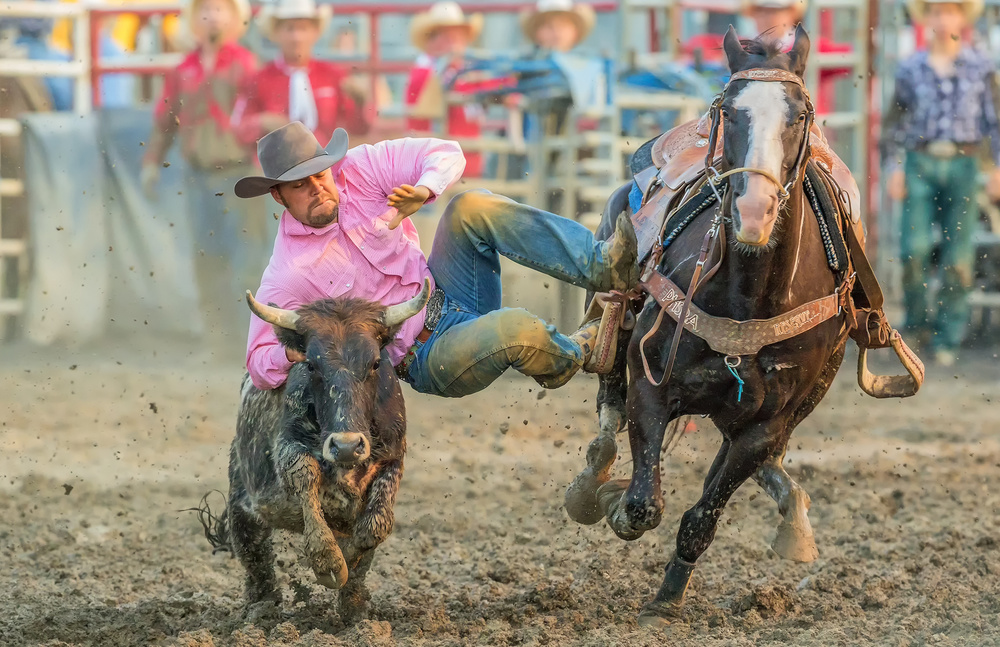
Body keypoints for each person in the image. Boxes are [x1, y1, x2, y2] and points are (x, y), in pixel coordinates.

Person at [237, 122, 639, 396]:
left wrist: (425, 189)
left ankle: (602, 266)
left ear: (330, 167)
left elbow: (446, 153)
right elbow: (257, 362)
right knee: (514, 327)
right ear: (279, 195)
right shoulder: (288, 274)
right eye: (299, 185)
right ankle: (580, 354)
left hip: (447, 286)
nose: (317, 188)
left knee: (470, 206)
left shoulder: (359, 169)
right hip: (425, 355)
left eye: (320, 175)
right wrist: (301, 351)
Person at [883, 0, 999, 366]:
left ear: (963, 18)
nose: (945, 17)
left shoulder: (982, 67)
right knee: (913, 250)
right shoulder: (910, 67)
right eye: (937, 11)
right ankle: (918, 325)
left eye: (952, 10)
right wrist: (895, 166)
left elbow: (994, 122)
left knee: (958, 256)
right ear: (928, 19)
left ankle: (948, 335)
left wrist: (997, 167)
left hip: (964, 163)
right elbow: (895, 124)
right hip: (920, 159)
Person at [140, 0, 260, 338]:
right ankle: (216, 335)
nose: (213, 16)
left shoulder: (245, 64)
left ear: (234, 19)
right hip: (197, 174)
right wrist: (151, 162)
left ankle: (244, 335)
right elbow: (165, 120)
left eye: (221, 9)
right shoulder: (184, 69)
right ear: (196, 20)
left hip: (239, 173)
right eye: (206, 10)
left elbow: (261, 110)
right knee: (206, 256)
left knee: (245, 255)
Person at [231, 0, 368, 149]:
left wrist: (360, 103)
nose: (296, 37)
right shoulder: (259, 79)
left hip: (326, 162)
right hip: (277, 167)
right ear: (276, 32)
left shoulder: (334, 76)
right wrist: (262, 122)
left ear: (315, 32)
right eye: (290, 29)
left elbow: (358, 129)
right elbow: (238, 129)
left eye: (303, 28)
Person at [404, 1, 486, 177]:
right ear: (430, 40)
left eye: (458, 35)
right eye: (446, 36)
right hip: (434, 170)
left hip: (463, 166)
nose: (455, 42)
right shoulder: (424, 73)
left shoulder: (466, 71)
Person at [521, 0, 594, 54]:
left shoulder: (595, 68)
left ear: (575, 31)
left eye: (563, 25)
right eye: (549, 26)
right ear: (536, 32)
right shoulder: (519, 69)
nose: (556, 32)